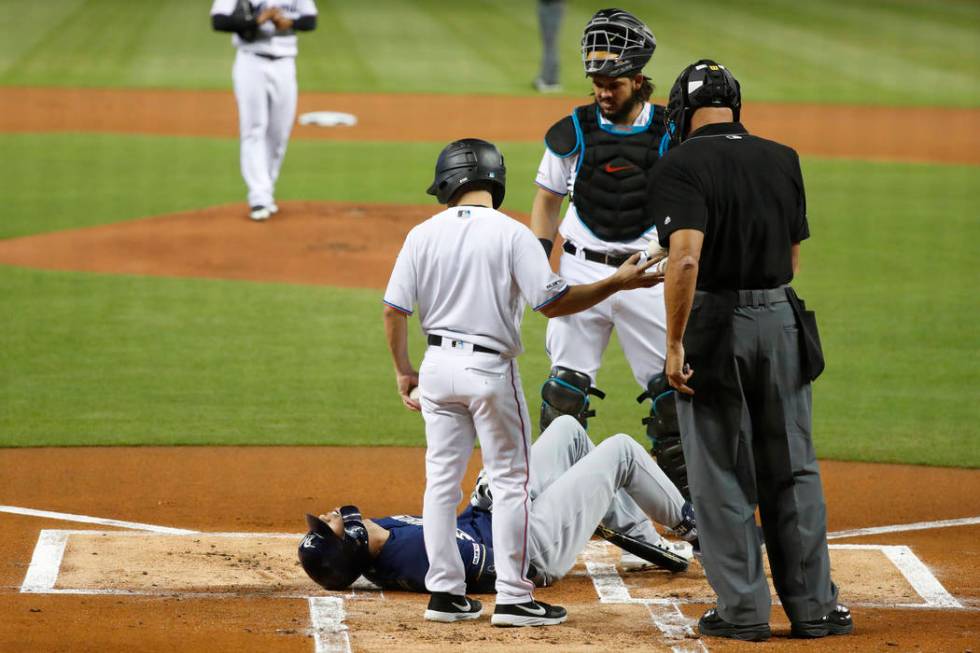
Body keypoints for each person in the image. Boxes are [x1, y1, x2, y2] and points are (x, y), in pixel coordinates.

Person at [382, 138, 662, 627]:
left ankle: (445, 594)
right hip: (488, 371)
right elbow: (551, 302)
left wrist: (404, 372)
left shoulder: (421, 234)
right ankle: (513, 598)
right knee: (512, 482)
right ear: (494, 180)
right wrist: (615, 282)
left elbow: (394, 310)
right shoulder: (511, 235)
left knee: (441, 482)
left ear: (449, 182)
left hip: (436, 368)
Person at [648, 59, 852, 642]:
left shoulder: (679, 164)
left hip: (716, 324)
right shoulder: (783, 158)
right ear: (735, 106)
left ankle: (742, 612)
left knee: (718, 471)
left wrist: (675, 342)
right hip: (782, 319)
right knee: (793, 468)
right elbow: (790, 259)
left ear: (684, 111)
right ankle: (815, 609)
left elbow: (686, 257)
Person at [531, 8, 690, 501]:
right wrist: (539, 259)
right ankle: (559, 496)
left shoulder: (670, 131)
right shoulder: (573, 130)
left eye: (613, 83)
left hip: (647, 270)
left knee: (671, 398)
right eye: (596, 81)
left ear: (639, 80)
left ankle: (687, 505)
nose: (602, 91)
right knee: (563, 394)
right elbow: (546, 199)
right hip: (581, 267)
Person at [297, 416, 698, 598]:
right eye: (326, 528)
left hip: (501, 518)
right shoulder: (410, 557)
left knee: (568, 431)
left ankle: (645, 544)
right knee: (622, 451)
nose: (330, 516)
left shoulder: (379, 534)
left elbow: (463, 529)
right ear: (347, 543)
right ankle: (694, 529)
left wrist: (489, 496)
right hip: (532, 545)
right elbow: (494, 569)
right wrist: (513, 496)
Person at [210, 0, 318, 221]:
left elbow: (311, 20)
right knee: (253, 129)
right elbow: (218, 20)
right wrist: (254, 20)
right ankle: (259, 196)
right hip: (251, 61)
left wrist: (290, 21)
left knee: (279, 133)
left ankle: (266, 190)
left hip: (285, 64)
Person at [534, 1, 565, 93]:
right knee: (548, 43)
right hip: (547, 5)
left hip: (553, 6)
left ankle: (550, 81)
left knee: (550, 43)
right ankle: (546, 77)